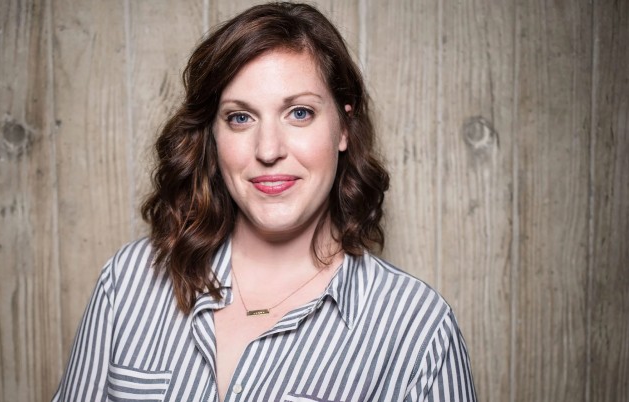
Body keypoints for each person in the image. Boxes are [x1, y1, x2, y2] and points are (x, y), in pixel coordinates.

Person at [52, 2, 476, 401]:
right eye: (241, 117)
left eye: (299, 113)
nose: (268, 150)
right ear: (213, 135)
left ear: (344, 128)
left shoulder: (419, 331)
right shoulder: (127, 281)